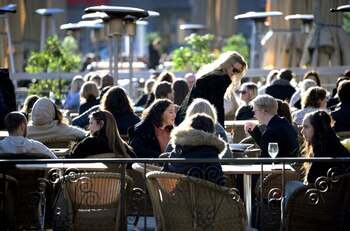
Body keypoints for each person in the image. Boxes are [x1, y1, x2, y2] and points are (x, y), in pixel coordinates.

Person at [285, 111, 350, 202]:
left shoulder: (322, 147)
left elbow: (311, 178)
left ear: (317, 129)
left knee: (289, 186)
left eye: (306, 127)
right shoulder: (334, 143)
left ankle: (286, 216)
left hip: (323, 198)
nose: (302, 132)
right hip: (333, 197)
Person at [176, 51, 248, 127]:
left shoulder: (213, 74)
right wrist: (221, 128)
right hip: (197, 120)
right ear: (227, 64)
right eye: (235, 70)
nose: (235, 73)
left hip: (190, 118)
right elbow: (218, 106)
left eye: (238, 72)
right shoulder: (220, 79)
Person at [162, 113, 225, 185]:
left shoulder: (178, 149)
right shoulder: (209, 151)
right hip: (202, 194)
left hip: (175, 194)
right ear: (211, 130)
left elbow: (164, 173)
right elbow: (218, 180)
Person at [72, 86, 140, 135]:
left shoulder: (98, 114)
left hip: (101, 151)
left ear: (106, 100)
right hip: (126, 152)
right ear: (127, 101)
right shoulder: (134, 119)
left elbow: (75, 122)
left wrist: (88, 126)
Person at [67, 110, 135, 158]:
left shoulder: (88, 143)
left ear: (101, 124)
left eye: (91, 123)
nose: (88, 128)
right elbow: (134, 163)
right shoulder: (122, 147)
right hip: (116, 178)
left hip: (86, 178)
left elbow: (70, 161)